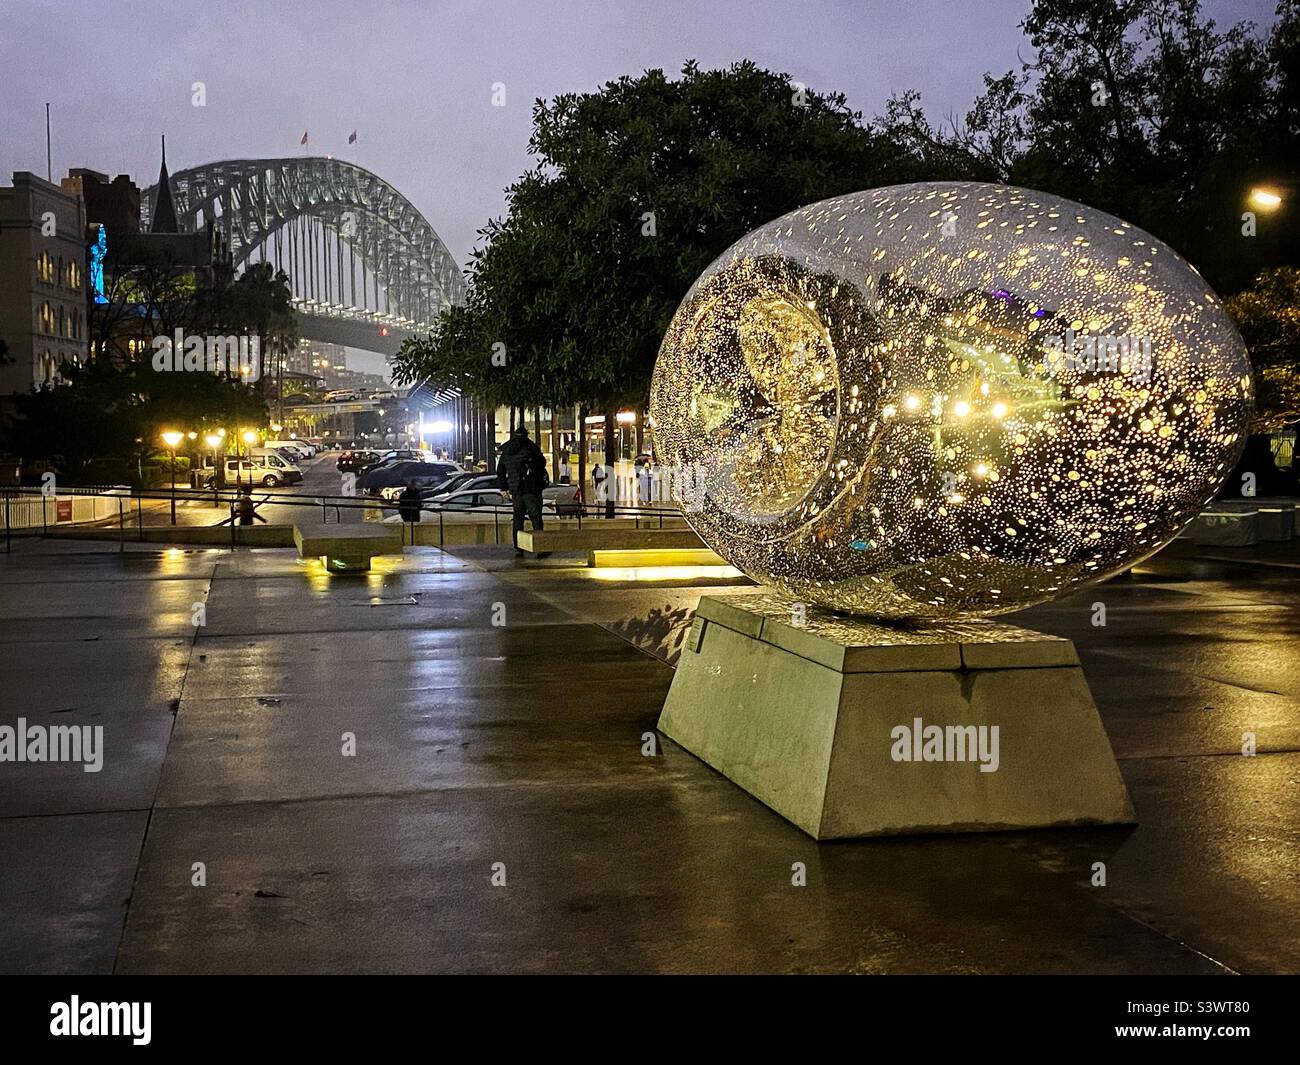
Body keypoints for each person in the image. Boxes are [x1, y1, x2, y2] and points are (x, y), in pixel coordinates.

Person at [496, 426, 548, 557]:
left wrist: (504, 487)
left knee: (518, 518)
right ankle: (540, 546)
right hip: (531, 488)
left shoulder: (507, 451)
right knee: (536, 518)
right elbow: (541, 463)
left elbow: (500, 471)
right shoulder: (531, 447)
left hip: (516, 490)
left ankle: (518, 546)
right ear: (526, 435)